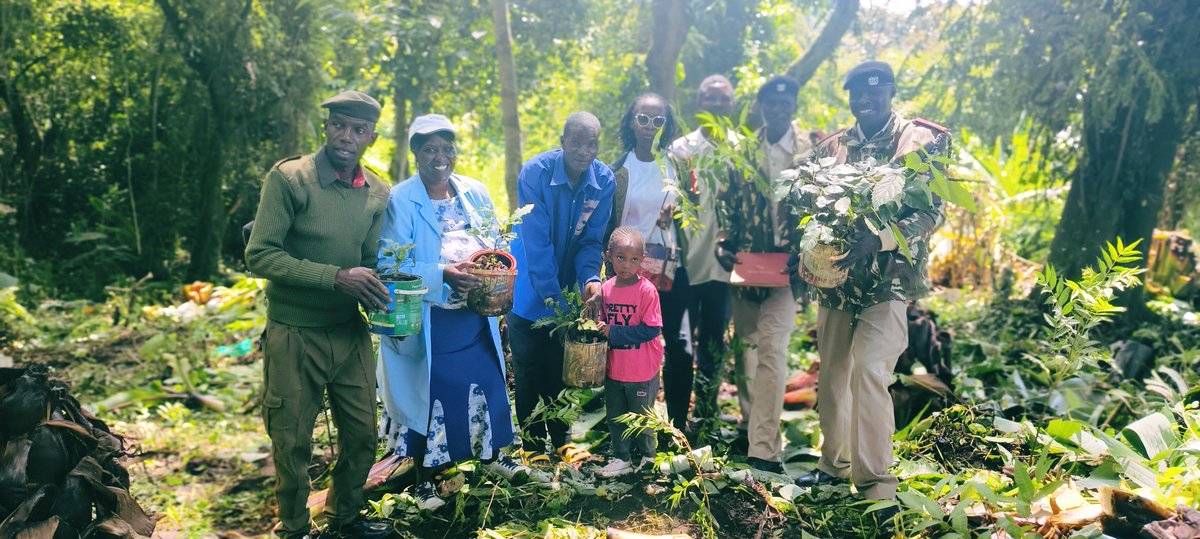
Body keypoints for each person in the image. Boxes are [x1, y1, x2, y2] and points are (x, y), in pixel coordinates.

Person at [792, 61, 949, 511]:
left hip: (889, 280)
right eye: (857, 94)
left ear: (891, 92)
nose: (865, 100)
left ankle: (876, 483)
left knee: (869, 370)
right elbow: (810, 205)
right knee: (833, 376)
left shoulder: (921, 141)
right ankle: (833, 465)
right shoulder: (833, 147)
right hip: (838, 280)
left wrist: (878, 239)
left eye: (874, 93)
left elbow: (932, 212)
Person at [245, 90, 392, 539]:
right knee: (291, 441)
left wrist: (390, 300)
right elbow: (260, 255)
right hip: (294, 331)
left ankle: (344, 516)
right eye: (339, 125)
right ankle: (293, 528)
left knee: (363, 434)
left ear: (371, 137)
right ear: (326, 126)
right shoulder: (291, 179)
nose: (347, 137)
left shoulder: (376, 192)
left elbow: (370, 262)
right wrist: (335, 277)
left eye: (359, 130)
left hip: (348, 332)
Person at [375, 114, 532, 512]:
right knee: (432, 393)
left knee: (488, 380)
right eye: (430, 149)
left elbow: (495, 243)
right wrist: (443, 272)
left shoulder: (474, 191)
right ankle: (426, 479)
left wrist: (493, 272)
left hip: (476, 314)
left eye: (447, 148)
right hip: (432, 320)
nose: (440, 157)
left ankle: (494, 455)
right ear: (416, 153)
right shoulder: (401, 199)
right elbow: (389, 263)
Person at [716, 75, 814, 473]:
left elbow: (820, 209)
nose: (778, 108)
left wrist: (807, 254)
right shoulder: (743, 151)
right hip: (748, 264)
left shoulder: (810, 150)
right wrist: (723, 243)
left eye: (785, 102)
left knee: (773, 350)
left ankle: (764, 449)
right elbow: (726, 204)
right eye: (771, 103)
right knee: (747, 351)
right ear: (761, 107)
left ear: (793, 106)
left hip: (787, 269)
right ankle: (749, 425)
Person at [508, 112, 616, 459]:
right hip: (529, 286)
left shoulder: (604, 180)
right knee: (528, 367)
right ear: (563, 142)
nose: (584, 151)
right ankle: (531, 445)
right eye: (577, 142)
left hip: (568, 289)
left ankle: (561, 441)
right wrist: (555, 302)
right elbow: (537, 244)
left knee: (561, 368)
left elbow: (592, 241)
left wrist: (591, 279)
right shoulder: (535, 174)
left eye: (591, 144)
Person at [603, 92, 689, 434]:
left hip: (667, 268)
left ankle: (677, 427)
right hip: (628, 274)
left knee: (677, 345)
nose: (649, 126)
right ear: (631, 121)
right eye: (643, 118)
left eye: (658, 120)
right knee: (629, 344)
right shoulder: (618, 170)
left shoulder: (674, 165)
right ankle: (628, 428)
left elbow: (690, 209)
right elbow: (610, 224)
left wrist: (677, 210)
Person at [665, 74, 737, 431]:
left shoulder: (741, 149)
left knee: (713, 342)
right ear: (699, 104)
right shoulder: (680, 150)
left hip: (724, 267)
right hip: (685, 266)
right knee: (680, 346)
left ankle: (706, 412)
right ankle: (676, 421)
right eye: (710, 98)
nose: (717, 105)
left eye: (723, 99)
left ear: (732, 104)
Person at [594, 227, 664, 478]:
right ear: (608, 256)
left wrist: (614, 332)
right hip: (614, 369)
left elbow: (651, 329)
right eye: (620, 258)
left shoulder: (647, 291)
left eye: (634, 259)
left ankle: (648, 458)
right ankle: (622, 458)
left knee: (642, 417)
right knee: (616, 417)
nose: (626, 265)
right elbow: (602, 323)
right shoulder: (605, 289)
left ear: (642, 259)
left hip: (641, 370)